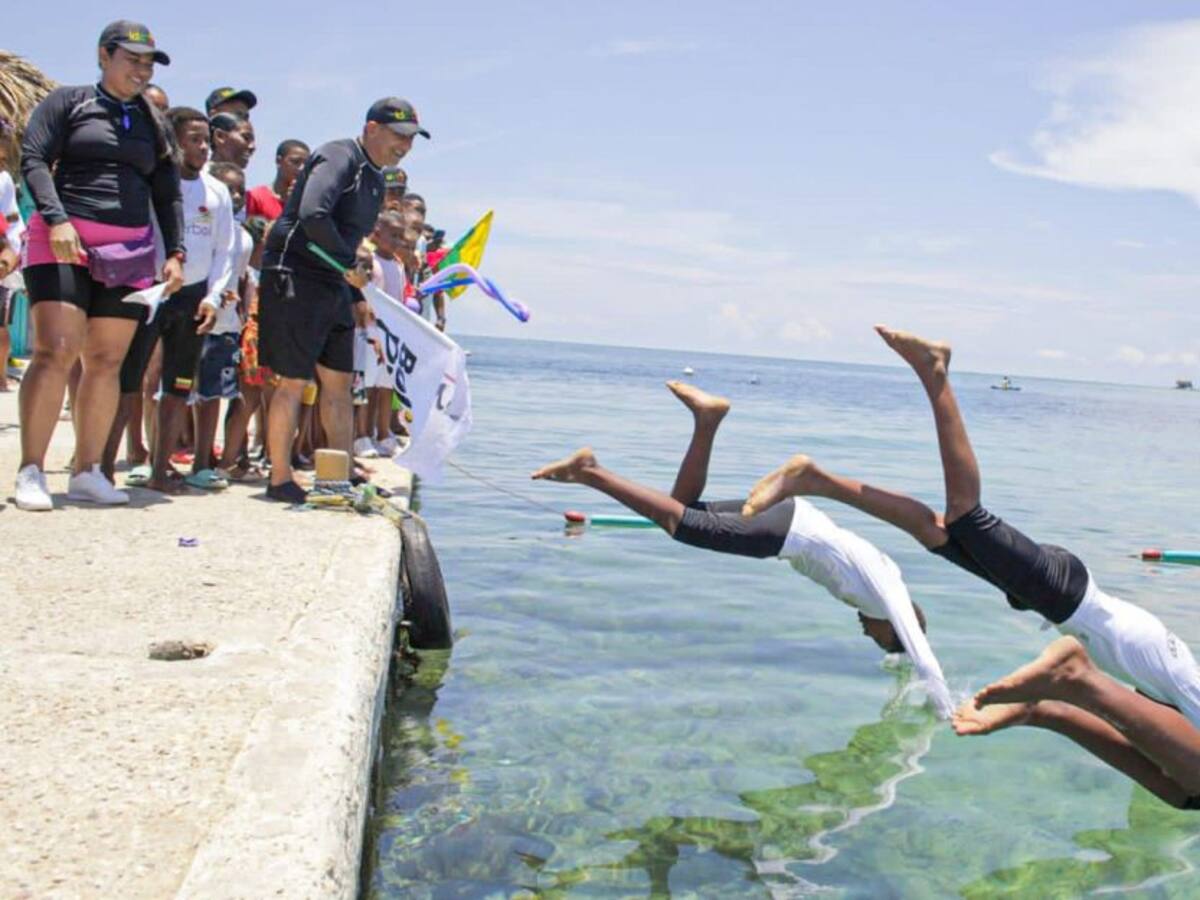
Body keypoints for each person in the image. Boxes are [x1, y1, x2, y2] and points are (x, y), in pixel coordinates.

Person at [744, 325, 1200, 809]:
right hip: (1084, 608)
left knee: (937, 533)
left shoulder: (1185, 786)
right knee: (967, 516)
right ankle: (934, 371)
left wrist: (1025, 712)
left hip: (1089, 623)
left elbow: (1099, 732)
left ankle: (815, 480)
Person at [531, 381, 953, 716]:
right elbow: (923, 655)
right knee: (681, 525)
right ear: (894, 627)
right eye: (880, 640)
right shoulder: (888, 594)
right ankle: (591, 473)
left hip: (793, 518)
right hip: (786, 533)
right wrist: (947, 711)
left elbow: (906, 655)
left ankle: (707, 419)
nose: (867, 634)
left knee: (682, 505)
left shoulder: (883, 586)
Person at [17, 20, 184, 510]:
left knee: (107, 362)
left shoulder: (155, 122)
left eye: (148, 62)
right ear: (103, 55)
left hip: (130, 251)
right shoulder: (69, 102)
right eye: (132, 59)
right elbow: (33, 159)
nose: (141, 69)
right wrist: (57, 220)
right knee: (57, 350)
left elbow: (167, 192)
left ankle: (88, 469)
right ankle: (31, 469)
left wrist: (175, 253)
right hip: (64, 239)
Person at [259, 96, 428, 503]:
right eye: (398, 135)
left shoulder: (376, 176)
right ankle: (279, 477)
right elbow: (313, 212)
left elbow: (350, 238)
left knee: (339, 384)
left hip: (333, 283)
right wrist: (347, 262)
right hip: (296, 275)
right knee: (293, 382)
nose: (404, 146)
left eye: (411, 139)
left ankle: (336, 476)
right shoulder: (340, 156)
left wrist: (355, 292)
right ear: (372, 128)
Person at [134, 107, 230, 493]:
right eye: (195, 139)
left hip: (194, 299)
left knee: (178, 387)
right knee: (132, 381)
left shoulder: (216, 191)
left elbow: (224, 251)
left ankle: (161, 469)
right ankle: (105, 465)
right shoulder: (155, 183)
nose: (204, 148)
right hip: (152, 293)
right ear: (173, 141)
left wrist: (215, 296)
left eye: (207, 140)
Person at [192, 161, 253, 480]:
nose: (237, 195)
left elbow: (242, 279)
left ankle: (204, 462)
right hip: (195, 319)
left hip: (227, 326)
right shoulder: (197, 221)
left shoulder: (243, 237)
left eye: (241, 189)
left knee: (214, 394)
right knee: (177, 392)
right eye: (230, 189)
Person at [246, 139, 309, 221]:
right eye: (295, 162)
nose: (302, 168)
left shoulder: (307, 201)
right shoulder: (256, 197)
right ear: (278, 161)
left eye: (306, 164)